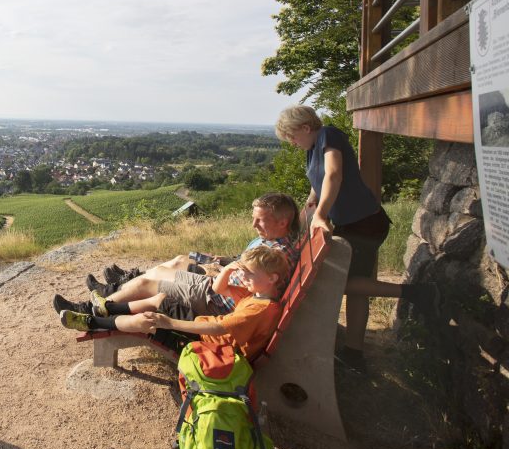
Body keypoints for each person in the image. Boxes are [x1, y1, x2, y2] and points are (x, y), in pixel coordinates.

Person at [275, 105, 437, 372]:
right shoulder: (311, 151)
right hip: (349, 225)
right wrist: (299, 226)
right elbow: (315, 192)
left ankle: (416, 294)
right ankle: (354, 353)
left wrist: (322, 215)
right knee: (353, 285)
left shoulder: (328, 134)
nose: (292, 143)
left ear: (305, 127)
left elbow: (334, 174)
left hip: (365, 223)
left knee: (348, 283)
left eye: (292, 136)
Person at [53, 193, 300, 322]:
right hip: (217, 289)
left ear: (282, 222)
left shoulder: (276, 253)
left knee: (146, 284)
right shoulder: (272, 243)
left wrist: (214, 270)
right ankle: (111, 291)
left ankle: (89, 311)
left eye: (260, 220)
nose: (253, 224)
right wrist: (220, 266)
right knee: (160, 272)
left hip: (217, 299)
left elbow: (249, 287)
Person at [59, 246, 291, 360]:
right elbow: (220, 288)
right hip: (207, 330)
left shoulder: (260, 308)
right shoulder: (255, 294)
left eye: (249, 274)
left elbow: (220, 328)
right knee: (162, 298)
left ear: (271, 278)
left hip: (211, 345)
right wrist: (231, 268)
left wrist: (170, 323)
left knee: (149, 321)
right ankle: (108, 308)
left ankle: (92, 321)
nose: (245, 278)